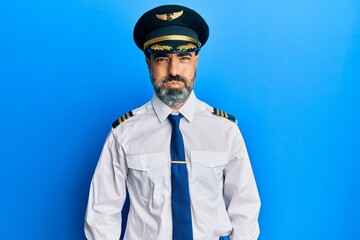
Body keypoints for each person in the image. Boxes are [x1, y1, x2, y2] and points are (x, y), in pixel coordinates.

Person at [84, 4, 260, 240]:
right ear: (148, 62)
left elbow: (244, 210)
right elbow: (102, 212)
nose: (174, 70)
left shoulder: (225, 131)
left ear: (196, 60)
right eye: (162, 58)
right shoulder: (123, 134)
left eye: (184, 57)